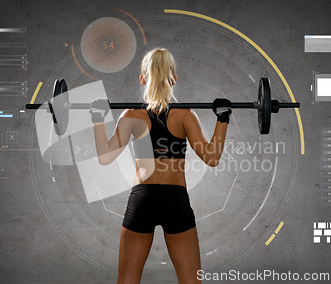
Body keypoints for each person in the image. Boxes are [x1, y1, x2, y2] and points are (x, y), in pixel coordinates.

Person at [90, 48, 231, 284]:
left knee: (127, 279)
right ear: (173, 79)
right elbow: (212, 158)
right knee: (190, 281)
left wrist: (97, 118)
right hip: (175, 200)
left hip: (142, 199)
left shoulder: (131, 115)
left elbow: (105, 157)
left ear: (143, 79)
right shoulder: (184, 115)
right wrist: (223, 118)